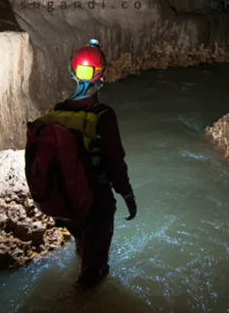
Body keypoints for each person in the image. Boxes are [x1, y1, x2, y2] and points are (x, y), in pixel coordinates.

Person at [51, 39, 137, 288]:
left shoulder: (57, 110)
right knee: (94, 270)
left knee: (82, 243)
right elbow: (115, 162)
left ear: (72, 72)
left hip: (66, 202)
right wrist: (128, 196)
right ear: (101, 75)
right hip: (95, 202)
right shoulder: (103, 115)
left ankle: (81, 262)